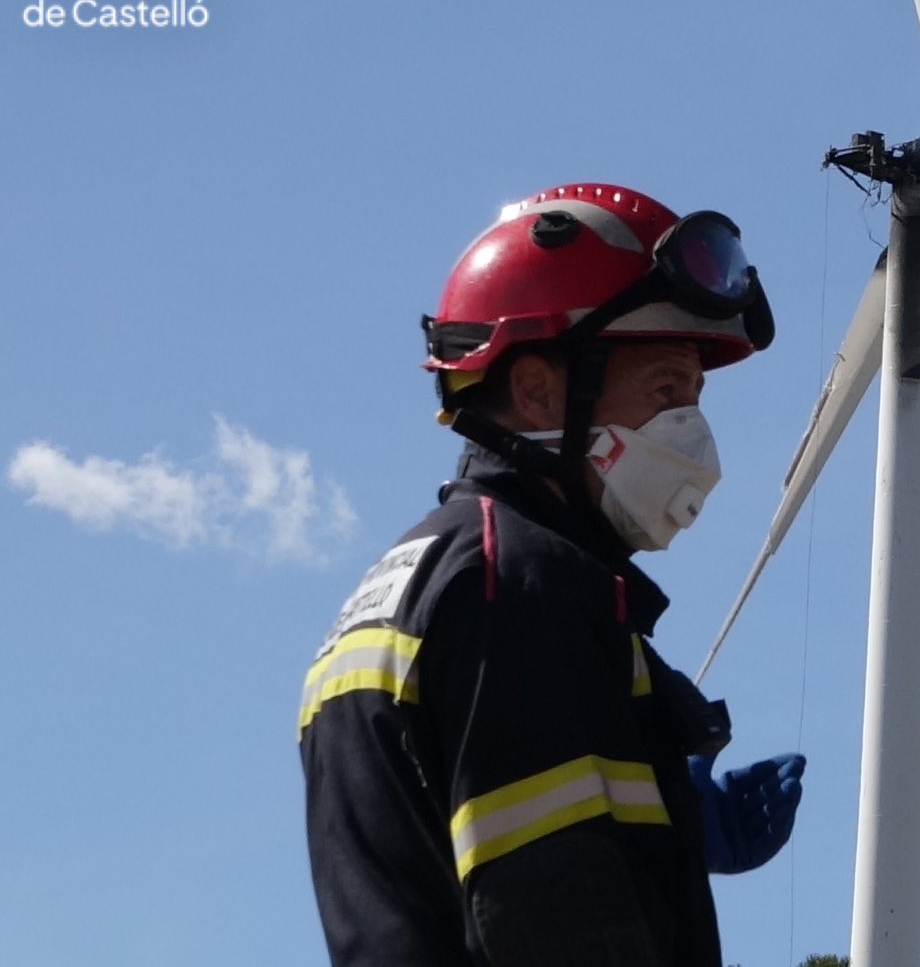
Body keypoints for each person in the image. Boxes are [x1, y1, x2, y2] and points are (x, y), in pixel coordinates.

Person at [300, 183, 805, 967]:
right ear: (539, 389)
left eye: (697, 396)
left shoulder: (422, 579)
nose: (692, 431)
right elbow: (559, 922)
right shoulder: (521, 587)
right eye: (667, 389)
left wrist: (662, 823)